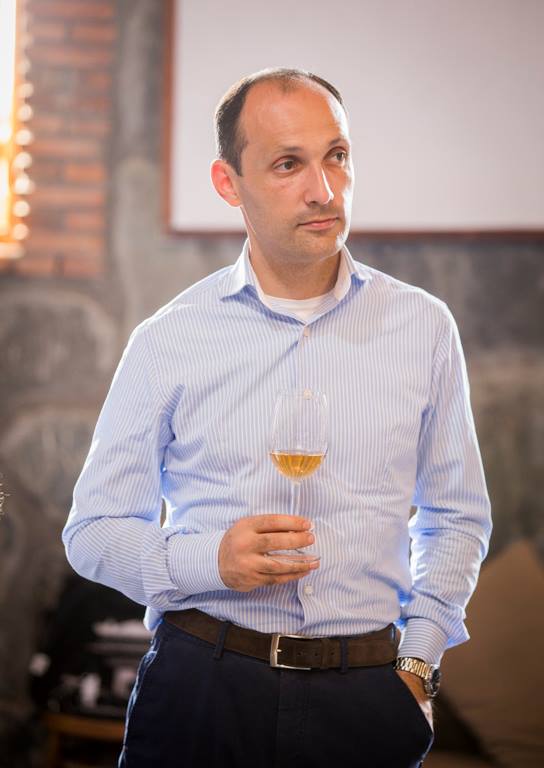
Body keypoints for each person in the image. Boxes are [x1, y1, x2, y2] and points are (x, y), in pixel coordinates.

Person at [62, 67, 492, 768]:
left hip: (366, 696)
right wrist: (210, 560)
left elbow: (457, 516)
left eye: (337, 156)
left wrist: (418, 664)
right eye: (288, 164)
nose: (324, 189)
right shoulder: (168, 339)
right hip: (201, 686)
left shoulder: (424, 328)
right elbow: (92, 530)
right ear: (228, 183)